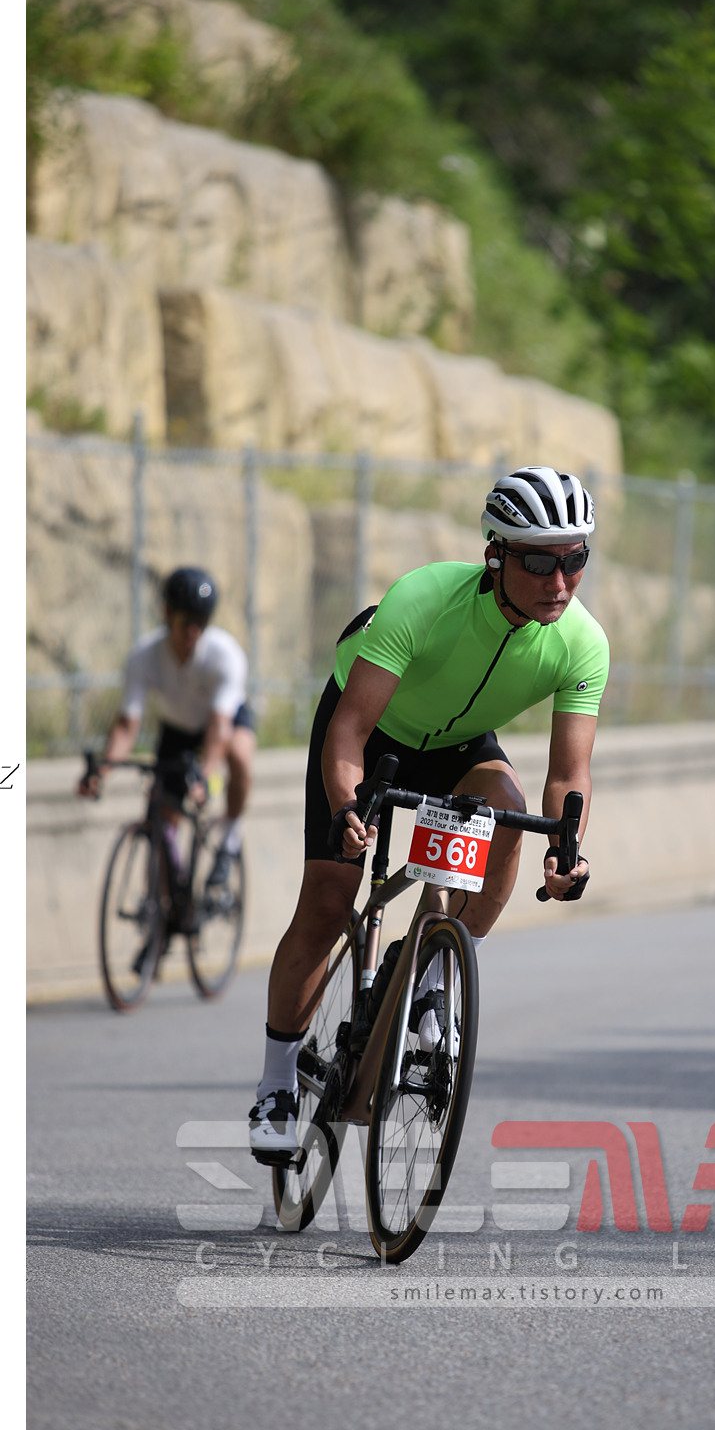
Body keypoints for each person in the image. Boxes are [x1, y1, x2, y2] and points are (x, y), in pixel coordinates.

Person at [251, 466, 605, 1160]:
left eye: (575, 560)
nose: (560, 582)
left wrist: (566, 851)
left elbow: (569, 774)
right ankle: (275, 1082)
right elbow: (349, 731)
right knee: (328, 901)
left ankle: (434, 977)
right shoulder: (425, 597)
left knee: (507, 812)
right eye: (540, 563)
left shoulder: (582, 643)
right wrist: (348, 808)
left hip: (457, 747)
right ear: (495, 555)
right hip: (370, 736)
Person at [78, 567, 255, 894]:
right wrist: (102, 771)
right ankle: (165, 908)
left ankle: (230, 838)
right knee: (161, 820)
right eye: (185, 619)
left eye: (201, 621)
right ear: (167, 614)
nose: (193, 630)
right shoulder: (144, 656)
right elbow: (127, 725)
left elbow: (220, 727)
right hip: (178, 728)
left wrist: (205, 775)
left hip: (222, 721)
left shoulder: (225, 655)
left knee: (241, 753)